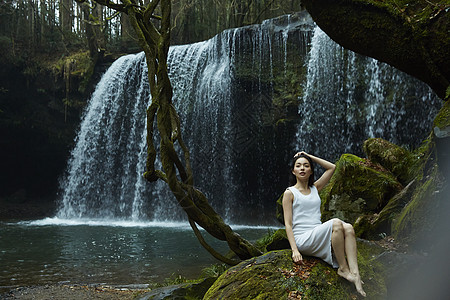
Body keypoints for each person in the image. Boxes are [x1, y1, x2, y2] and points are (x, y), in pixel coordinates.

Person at [282, 151, 366, 297]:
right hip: (302, 239)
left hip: (317, 233)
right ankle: (343, 268)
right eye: (298, 165)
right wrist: (295, 250)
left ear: (311, 171)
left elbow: (332, 167)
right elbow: (288, 224)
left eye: (306, 165)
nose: (302, 168)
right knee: (336, 224)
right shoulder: (289, 193)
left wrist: (308, 155)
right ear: (293, 171)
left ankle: (355, 273)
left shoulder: (315, 188)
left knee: (349, 228)